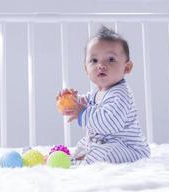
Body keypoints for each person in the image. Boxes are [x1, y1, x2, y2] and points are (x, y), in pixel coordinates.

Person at [56, 26, 150, 165]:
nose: (101, 65)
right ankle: (75, 158)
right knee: (83, 145)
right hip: (105, 143)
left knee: (105, 154)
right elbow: (86, 103)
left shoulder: (120, 94)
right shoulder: (97, 91)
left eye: (111, 59)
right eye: (94, 61)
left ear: (127, 67)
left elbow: (110, 123)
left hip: (128, 149)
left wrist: (82, 112)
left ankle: (78, 164)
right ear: (86, 69)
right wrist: (72, 100)